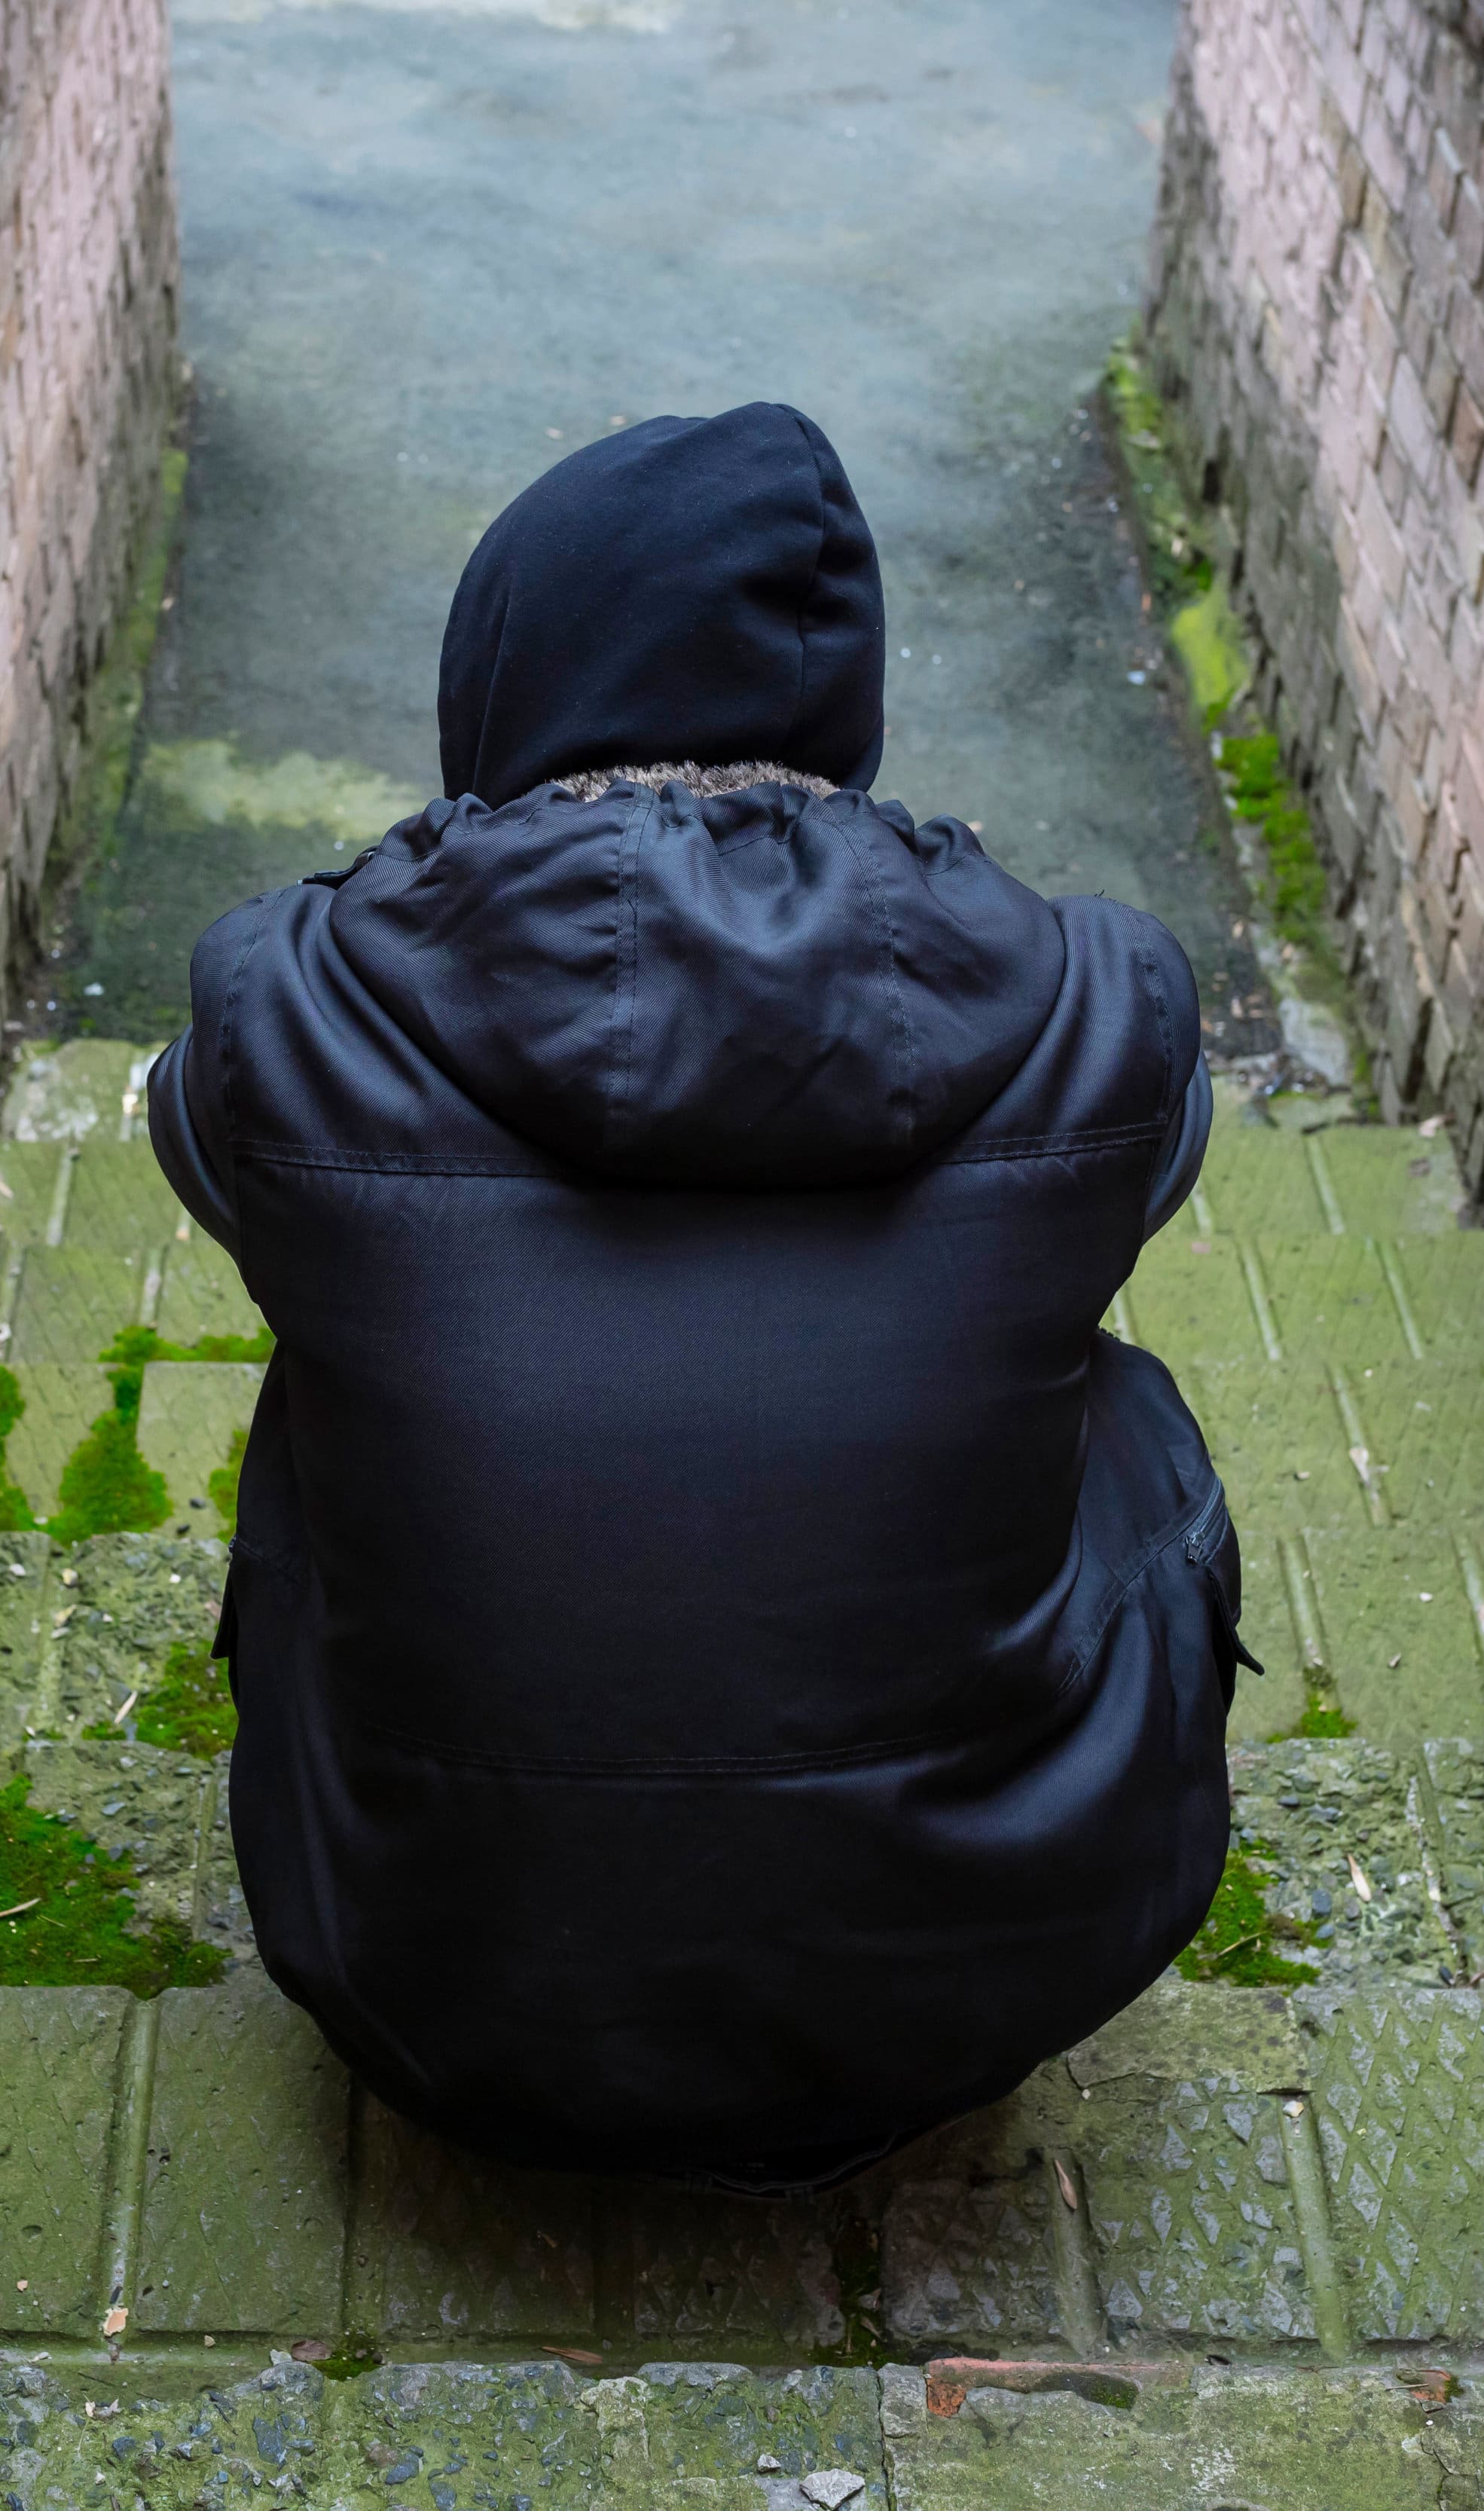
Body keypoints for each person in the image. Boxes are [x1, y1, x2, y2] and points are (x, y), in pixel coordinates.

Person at [144, 402, 1243, 2192]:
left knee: (325, 1371)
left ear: (506, 673)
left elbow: (183, 1137)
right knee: (1102, 1376)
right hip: (971, 1986)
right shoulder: (1088, 1000)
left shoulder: (294, 1010)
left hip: (431, 1982)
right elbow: (1162, 1154)